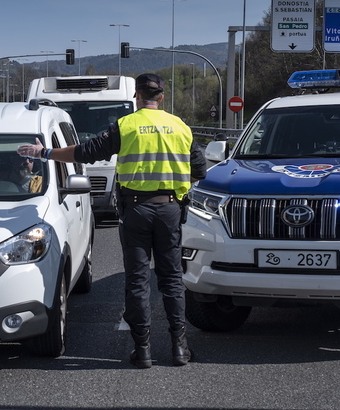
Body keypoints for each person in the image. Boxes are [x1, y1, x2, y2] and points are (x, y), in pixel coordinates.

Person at [18, 73, 207, 368]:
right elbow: (199, 170)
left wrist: (46, 153)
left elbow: (86, 152)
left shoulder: (126, 125)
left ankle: (142, 350)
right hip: (170, 210)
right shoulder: (180, 126)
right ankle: (179, 348)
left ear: (137, 97)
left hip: (136, 211)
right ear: (161, 96)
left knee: (138, 281)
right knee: (171, 280)